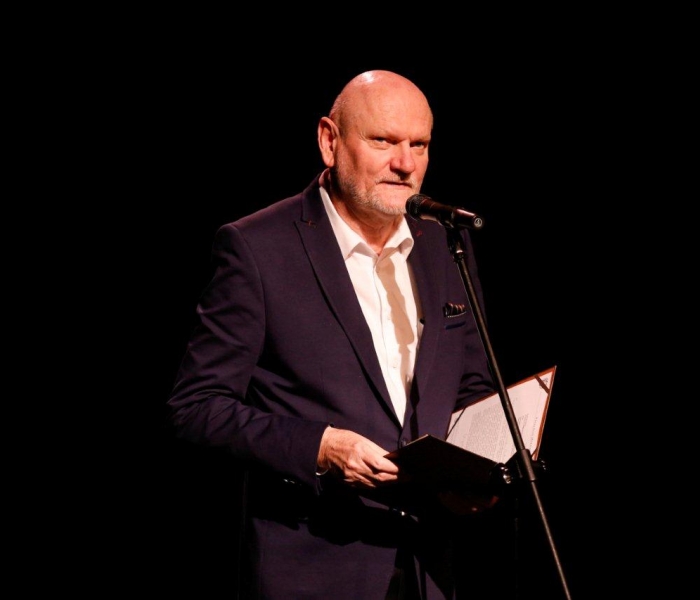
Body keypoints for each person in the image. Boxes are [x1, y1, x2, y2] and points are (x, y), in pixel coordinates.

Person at [167, 70, 498, 599]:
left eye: (418, 145)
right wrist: (320, 448)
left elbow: (472, 386)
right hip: (314, 567)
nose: (405, 164)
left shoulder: (443, 243)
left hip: (429, 567)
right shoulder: (257, 248)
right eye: (383, 141)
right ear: (329, 140)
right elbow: (196, 407)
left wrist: (475, 472)